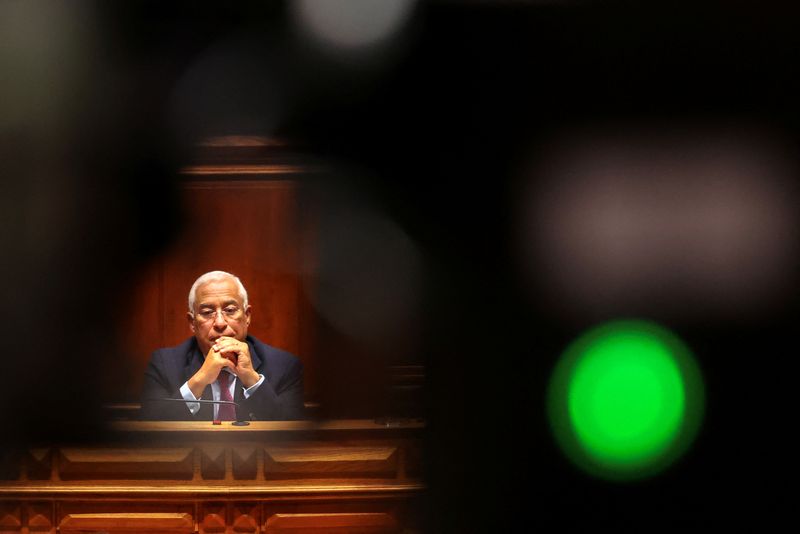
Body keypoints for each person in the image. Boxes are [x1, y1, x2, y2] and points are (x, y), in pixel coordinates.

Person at [140, 271, 305, 421]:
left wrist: (251, 379)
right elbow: (150, 429)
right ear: (192, 323)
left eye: (230, 310)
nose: (220, 323)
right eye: (207, 312)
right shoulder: (164, 364)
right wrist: (200, 379)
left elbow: (293, 436)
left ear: (247, 316)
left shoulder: (284, 366)